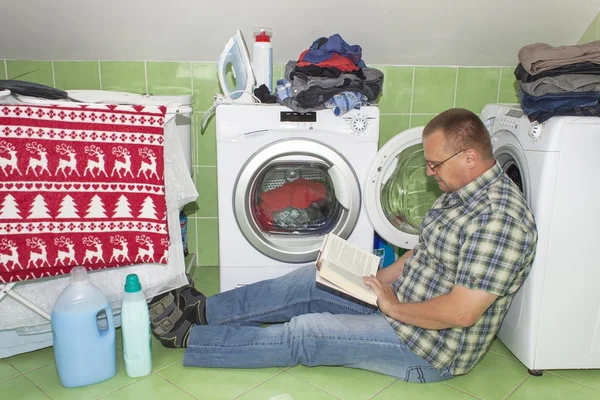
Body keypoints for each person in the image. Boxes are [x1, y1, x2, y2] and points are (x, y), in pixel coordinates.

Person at [148, 108, 538, 382]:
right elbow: (423, 254)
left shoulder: (501, 220)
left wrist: (392, 306)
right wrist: (366, 280)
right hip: (399, 301)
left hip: (427, 347)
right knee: (309, 281)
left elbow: (462, 313)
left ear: (470, 157)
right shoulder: (460, 192)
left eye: (435, 164)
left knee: (308, 332)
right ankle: (203, 311)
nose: (429, 171)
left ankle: (192, 338)